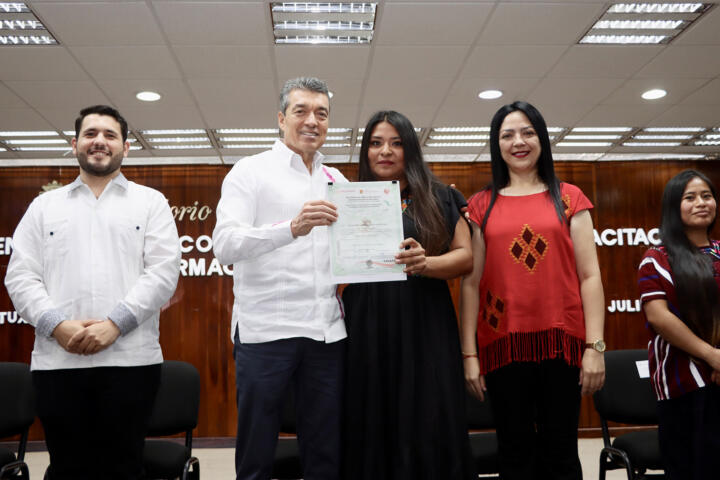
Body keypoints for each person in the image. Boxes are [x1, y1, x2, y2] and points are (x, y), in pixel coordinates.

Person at [4, 105, 181, 480]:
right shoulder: (43, 207)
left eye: (109, 135)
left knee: (124, 467)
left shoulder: (150, 203)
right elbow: (21, 277)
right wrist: (57, 325)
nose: (99, 141)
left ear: (126, 148)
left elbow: (162, 273)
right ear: (75, 145)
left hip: (131, 363)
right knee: (68, 468)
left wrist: (115, 324)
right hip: (58, 362)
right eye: (90, 134)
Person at [460, 101, 605, 480]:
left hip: (563, 342)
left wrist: (595, 347)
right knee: (514, 450)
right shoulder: (480, 205)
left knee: (561, 450)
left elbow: (590, 277)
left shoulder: (570, 198)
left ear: (542, 138)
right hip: (503, 344)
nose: (518, 142)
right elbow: (470, 283)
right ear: (496, 144)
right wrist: (469, 355)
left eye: (527, 132)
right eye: (507, 135)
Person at [213, 77, 347, 480]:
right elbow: (225, 244)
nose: (312, 121)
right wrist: (290, 227)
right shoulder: (249, 171)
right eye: (301, 111)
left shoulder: (338, 181)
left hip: (327, 334)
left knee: (325, 450)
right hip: (265, 333)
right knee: (257, 452)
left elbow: (352, 253)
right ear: (280, 118)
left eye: (321, 113)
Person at [342, 110, 475, 480]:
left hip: (426, 322)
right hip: (366, 324)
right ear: (365, 151)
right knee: (373, 417)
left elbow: (466, 258)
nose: (385, 151)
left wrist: (426, 263)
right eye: (375, 143)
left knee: (430, 415)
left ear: (411, 150)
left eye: (397, 143)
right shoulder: (348, 199)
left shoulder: (441, 196)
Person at [637, 169, 720, 480]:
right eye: (690, 197)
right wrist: (712, 356)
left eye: (707, 196)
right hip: (683, 383)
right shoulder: (657, 259)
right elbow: (659, 318)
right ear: (674, 206)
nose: (701, 203)